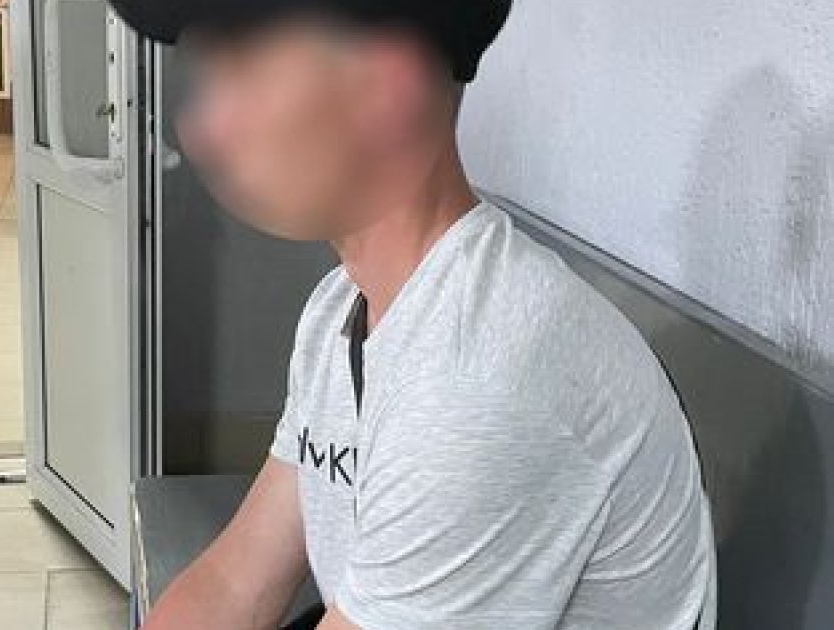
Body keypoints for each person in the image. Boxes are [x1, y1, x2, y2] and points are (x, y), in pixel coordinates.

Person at [108, 1, 719, 628]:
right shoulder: (340, 307)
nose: (204, 128)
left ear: (385, 87)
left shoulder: (478, 376)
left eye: (246, 67)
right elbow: (238, 580)